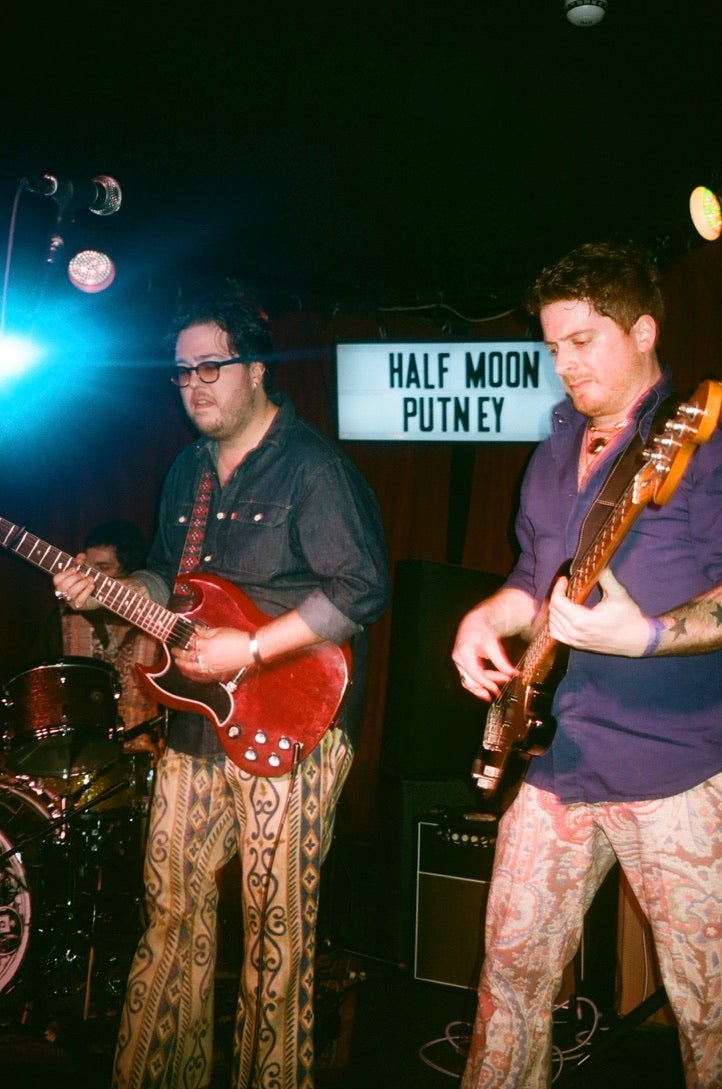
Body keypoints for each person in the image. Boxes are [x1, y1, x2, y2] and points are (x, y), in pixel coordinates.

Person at [52, 287, 390, 1089]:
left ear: (258, 368)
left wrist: (254, 644)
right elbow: (170, 577)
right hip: (199, 723)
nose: (195, 384)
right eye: (181, 373)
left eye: (212, 366)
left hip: (296, 721)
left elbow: (362, 587)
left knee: (277, 932)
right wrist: (113, 586)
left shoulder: (314, 469)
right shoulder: (186, 473)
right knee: (169, 909)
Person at [452, 242, 722, 1089]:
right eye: (553, 345)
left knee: (709, 1005)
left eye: (583, 340)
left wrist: (642, 634)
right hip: (555, 757)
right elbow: (538, 580)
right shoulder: (556, 444)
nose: (564, 362)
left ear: (642, 330)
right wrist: (488, 615)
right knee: (509, 983)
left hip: (673, 763)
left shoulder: (700, 442)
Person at [32, 519, 160, 736]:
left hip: (146, 753)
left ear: (132, 576)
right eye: (88, 569)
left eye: (103, 568)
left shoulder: (160, 622)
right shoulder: (62, 619)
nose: (90, 580)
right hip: (81, 749)